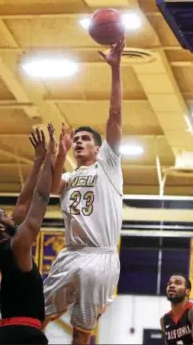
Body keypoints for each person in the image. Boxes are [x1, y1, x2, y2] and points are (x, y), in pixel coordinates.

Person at [42, 38, 125, 345]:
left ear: (99, 147)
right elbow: (51, 189)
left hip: (101, 256)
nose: (78, 142)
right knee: (37, 314)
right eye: (75, 139)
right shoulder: (67, 175)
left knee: (82, 331)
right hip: (70, 253)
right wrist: (58, 152)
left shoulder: (109, 166)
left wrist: (115, 68)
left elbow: (115, 116)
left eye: (85, 139)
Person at [0, 124, 56, 345]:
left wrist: (38, 159)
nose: (11, 215)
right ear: (0, 227)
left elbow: (22, 205)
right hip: (23, 335)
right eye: (4, 215)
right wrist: (50, 159)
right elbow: (39, 199)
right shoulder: (17, 245)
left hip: (4, 333)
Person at [160, 274, 193, 344]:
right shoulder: (164, 319)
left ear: (187, 291)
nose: (171, 286)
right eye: (169, 283)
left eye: (178, 283)